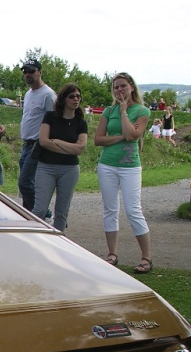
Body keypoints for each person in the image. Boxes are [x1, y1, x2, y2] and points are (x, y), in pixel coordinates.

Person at [93, 72, 152, 274]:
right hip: (107, 164)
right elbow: (98, 139)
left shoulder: (142, 111)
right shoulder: (109, 111)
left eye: (123, 86)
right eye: (116, 87)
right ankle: (112, 254)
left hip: (130, 167)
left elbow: (133, 135)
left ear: (131, 87)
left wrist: (125, 112)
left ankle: (146, 257)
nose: (119, 90)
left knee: (133, 209)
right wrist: (121, 136)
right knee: (110, 209)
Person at [31, 84, 88, 232]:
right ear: (63, 99)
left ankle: (58, 244)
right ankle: (33, 238)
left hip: (69, 169)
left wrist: (57, 142)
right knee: (40, 209)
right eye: (72, 96)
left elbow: (80, 148)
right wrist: (70, 148)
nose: (76, 99)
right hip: (46, 167)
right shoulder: (50, 117)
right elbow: (43, 141)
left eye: (78, 96)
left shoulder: (81, 123)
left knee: (62, 212)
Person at [18, 59, 56, 211]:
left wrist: (44, 142)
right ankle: (29, 214)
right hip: (26, 143)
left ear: (39, 72)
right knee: (27, 183)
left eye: (31, 71)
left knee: (25, 182)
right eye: (25, 72)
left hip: (37, 144)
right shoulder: (28, 94)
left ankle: (44, 212)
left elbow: (53, 121)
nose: (28, 74)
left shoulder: (48, 95)